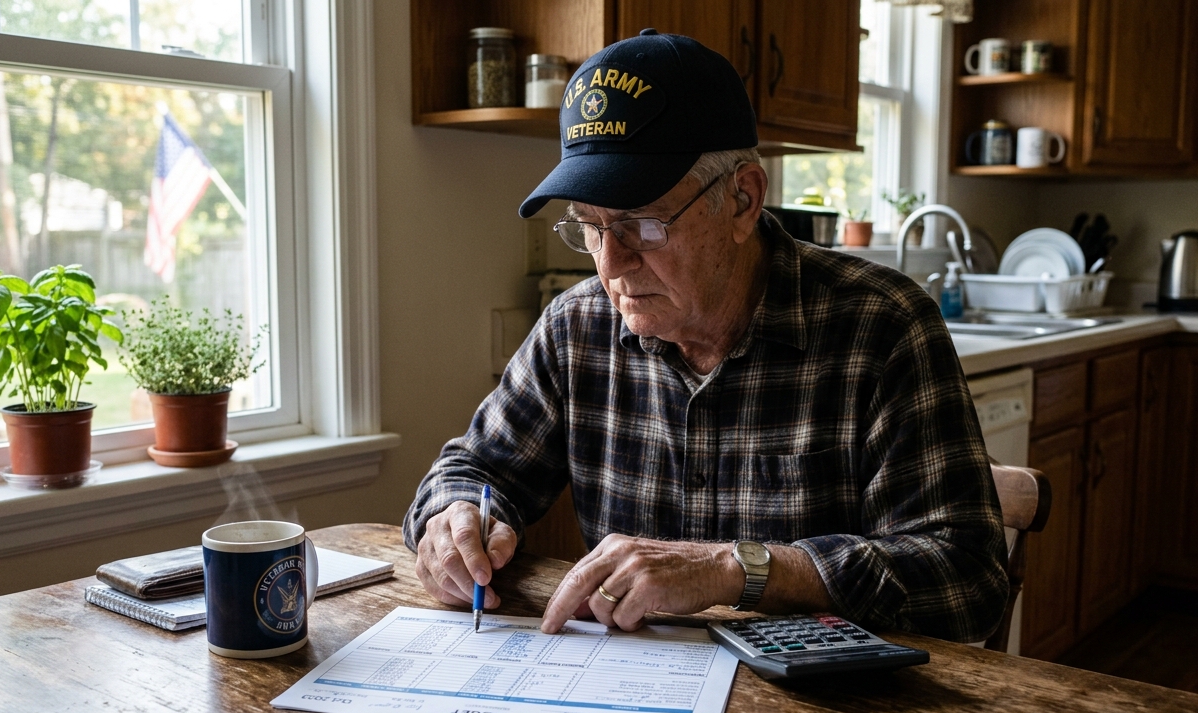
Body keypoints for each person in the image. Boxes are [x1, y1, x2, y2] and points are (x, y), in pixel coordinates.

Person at [404, 30, 1008, 642]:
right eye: (589, 225)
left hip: (823, 695)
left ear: (743, 199)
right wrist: (454, 516)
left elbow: (967, 579)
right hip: (628, 685)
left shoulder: (883, 326)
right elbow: (474, 468)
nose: (611, 264)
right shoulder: (576, 327)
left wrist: (736, 569)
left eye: (643, 223)